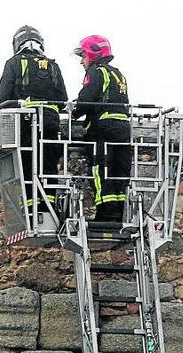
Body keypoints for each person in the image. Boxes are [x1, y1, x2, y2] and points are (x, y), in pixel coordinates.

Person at [0, 25, 68, 212]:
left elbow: (4, 95)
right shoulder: (53, 66)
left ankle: (32, 209)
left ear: (17, 43)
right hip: (51, 122)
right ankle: (48, 207)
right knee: (49, 166)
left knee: (28, 164)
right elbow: (63, 99)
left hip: (27, 121)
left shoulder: (14, 63)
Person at [72, 35, 131, 222]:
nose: (82, 61)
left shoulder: (96, 72)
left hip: (102, 130)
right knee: (119, 173)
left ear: (93, 54)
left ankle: (106, 214)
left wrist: (73, 112)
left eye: (83, 56)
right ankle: (121, 213)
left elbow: (85, 101)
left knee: (100, 171)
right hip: (123, 130)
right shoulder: (119, 74)